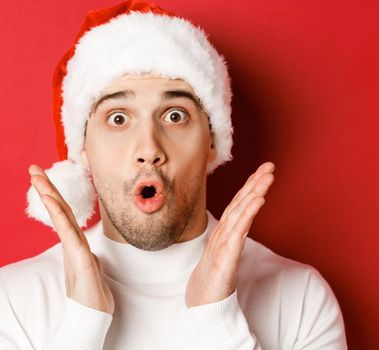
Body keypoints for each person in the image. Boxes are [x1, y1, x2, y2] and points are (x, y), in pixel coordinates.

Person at [0, 1, 347, 349]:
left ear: (212, 142)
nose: (148, 148)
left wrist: (218, 319)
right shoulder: (13, 302)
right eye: (118, 118)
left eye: (175, 116)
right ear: (83, 149)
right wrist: (82, 324)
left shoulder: (300, 299)